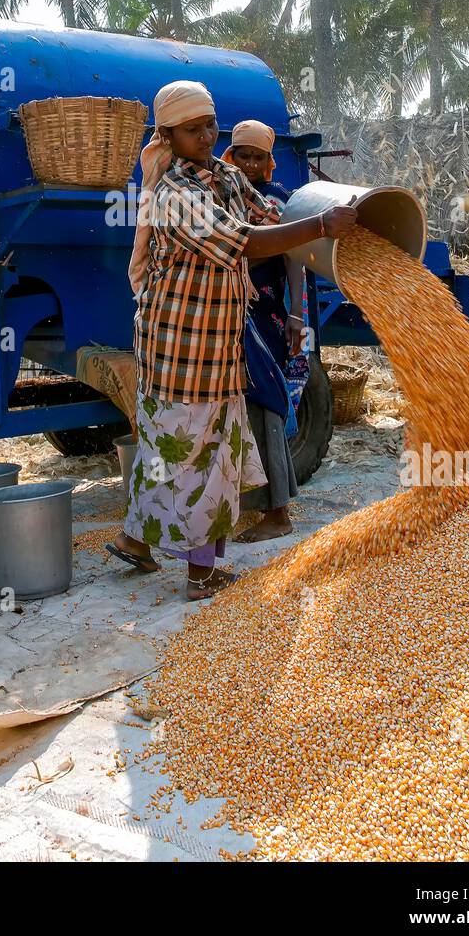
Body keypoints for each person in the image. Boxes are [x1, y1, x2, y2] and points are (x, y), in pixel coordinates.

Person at [107, 82, 356, 599]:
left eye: (209, 125)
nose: (205, 135)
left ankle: (135, 541)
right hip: (180, 346)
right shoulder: (175, 195)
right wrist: (321, 223)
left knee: (172, 450)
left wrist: (335, 225)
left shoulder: (224, 176)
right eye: (193, 129)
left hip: (217, 346)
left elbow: (270, 216)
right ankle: (202, 574)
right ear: (169, 135)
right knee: (197, 459)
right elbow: (245, 240)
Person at [221, 120, 305, 541]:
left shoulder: (277, 203)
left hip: (265, 316)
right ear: (230, 157)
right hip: (230, 315)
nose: (250, 164)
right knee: (239, 407)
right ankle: (249, 501)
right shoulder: (222, 197)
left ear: (269, 162)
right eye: (243, 155)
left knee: (265, 402)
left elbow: (295, 259)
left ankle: (278, 512)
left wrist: (297, 314)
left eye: (258, 157)